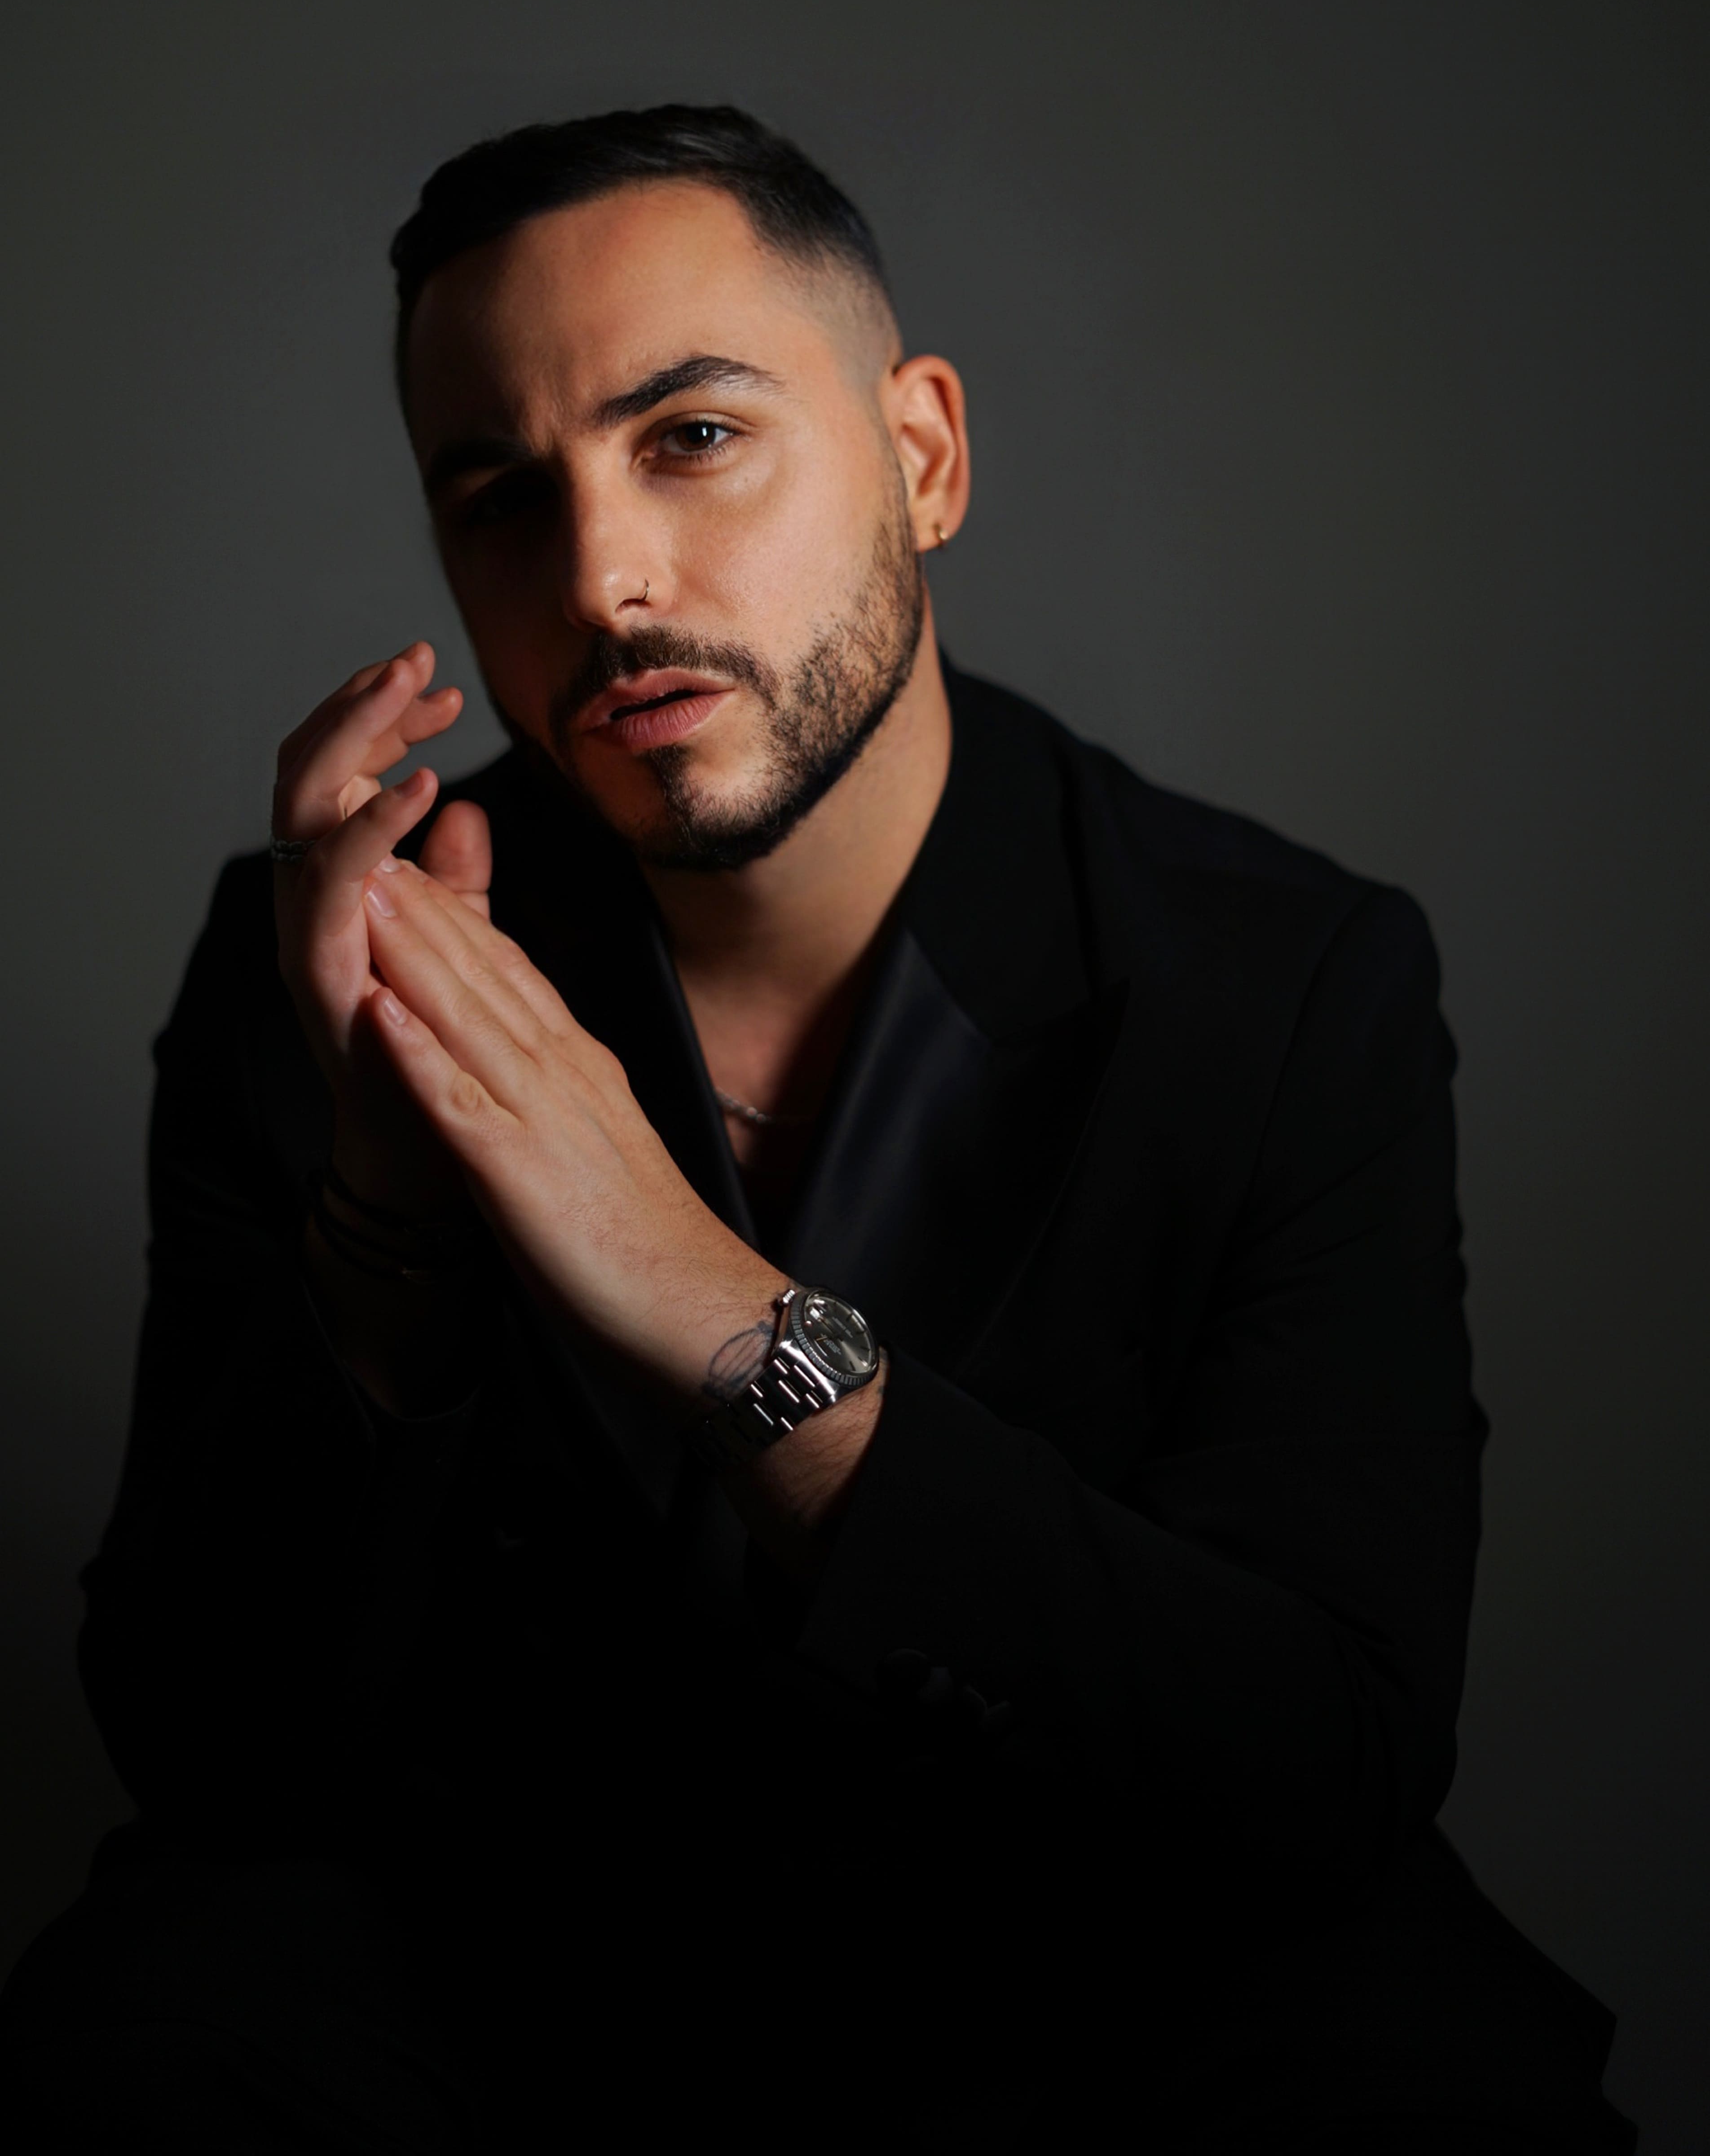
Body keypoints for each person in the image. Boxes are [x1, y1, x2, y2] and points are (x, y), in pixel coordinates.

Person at [0, 107, 1635, 2152]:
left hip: (1087, 1979)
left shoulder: (1286, 986)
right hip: (526, 1996)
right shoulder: (342, 952)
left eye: (690, 436)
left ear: (922, 458)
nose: (601, 578)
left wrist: (716, 1313)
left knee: (1423, 2064)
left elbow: (1323, 1756)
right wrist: (385, 1216)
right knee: (155, 2018)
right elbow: (207, 1750)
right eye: (503, 497)